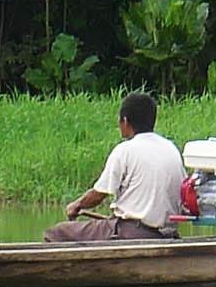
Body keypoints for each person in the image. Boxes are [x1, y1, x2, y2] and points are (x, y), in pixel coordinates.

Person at [45, 92, 184, 243]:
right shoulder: (171, 149)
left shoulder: (125, 150)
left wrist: (77, 205)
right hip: (166, 233)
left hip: (132, 232)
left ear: (125, 121)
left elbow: (99, 194)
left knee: (56, 233)